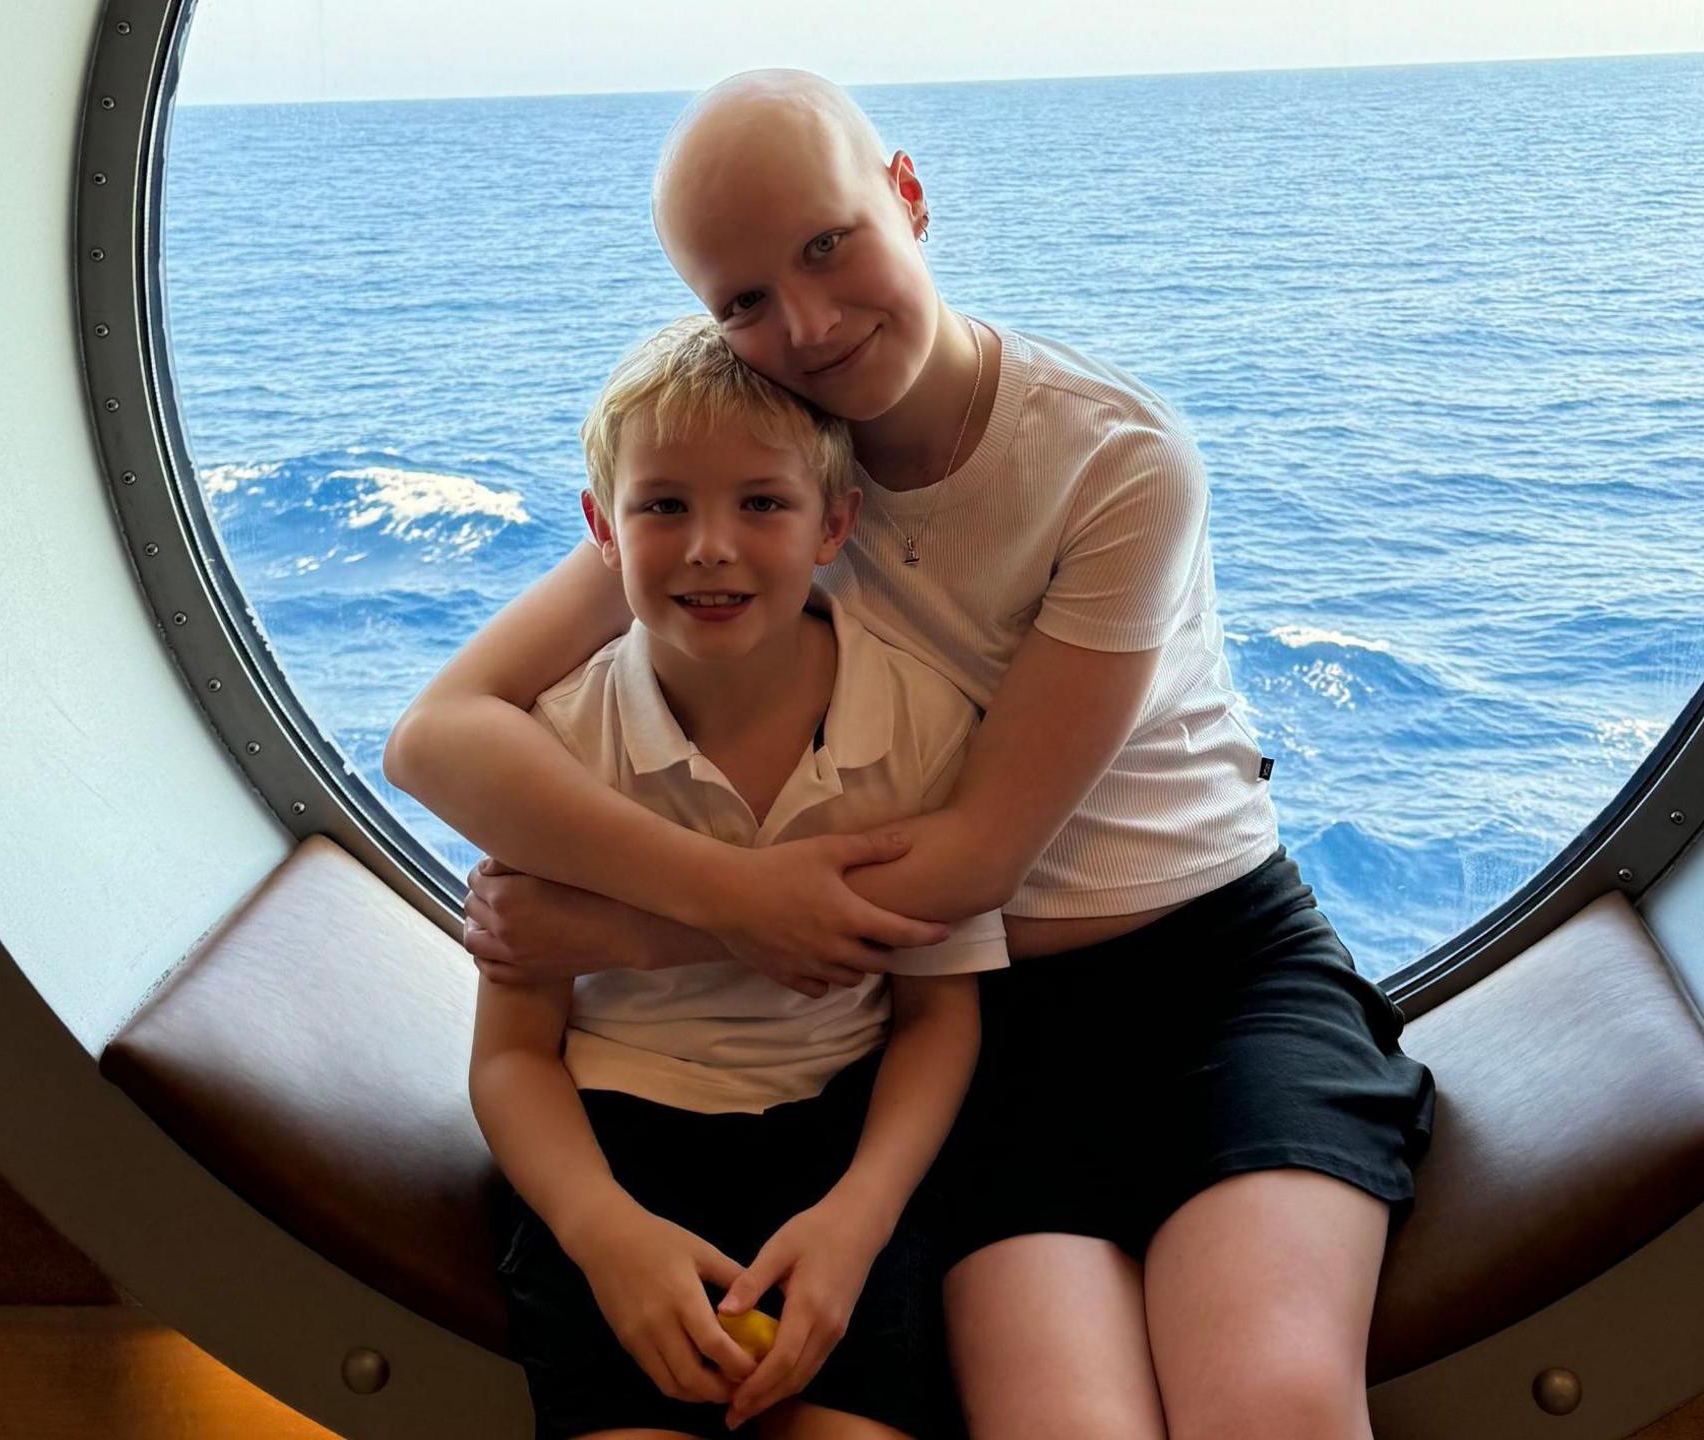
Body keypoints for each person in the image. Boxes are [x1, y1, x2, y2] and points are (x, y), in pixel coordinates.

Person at [388, 69, 1436, 1439]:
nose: (808, 322)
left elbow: (976, 857)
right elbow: (438, 738)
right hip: (979, 1033)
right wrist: (701, 902)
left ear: (909, 195)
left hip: (1214, 987)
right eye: (744, 300)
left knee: (1272, 1406)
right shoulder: (761, 485)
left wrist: (612, 929)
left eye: (830, 245)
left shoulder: (1114, 459)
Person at [428, 315, 1008, 1440]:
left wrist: (857, 1221)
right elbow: (509, 1055)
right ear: (602, 526)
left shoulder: (921, 722)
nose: (708, 546)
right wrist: (604, 1233)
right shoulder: (554, 750)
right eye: (662, 506)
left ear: (835, 521)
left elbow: (939, 1015)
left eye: (761, 503)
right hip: (614, 1140)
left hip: (843, 1139)